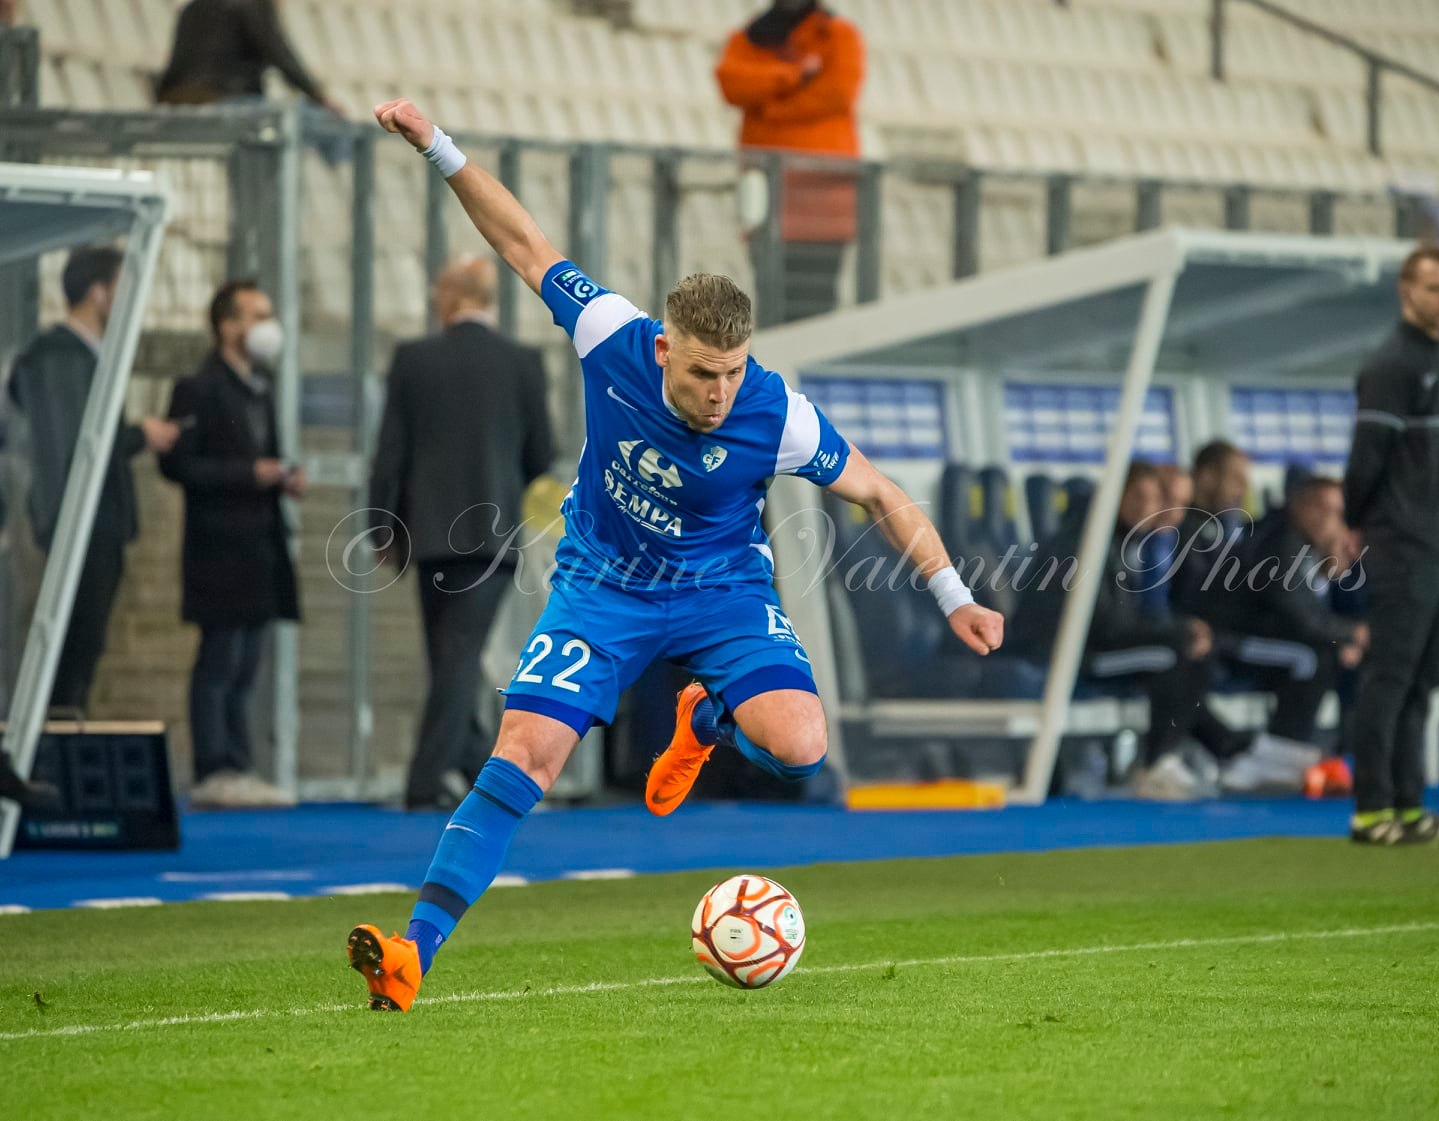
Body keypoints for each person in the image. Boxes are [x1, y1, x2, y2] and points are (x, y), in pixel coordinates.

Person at [345, 97, 1003, 1012]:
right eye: (702, 373)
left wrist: (954, 595)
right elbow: (524, 244)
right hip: (601, 586)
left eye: (733, 371)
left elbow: (882, 492)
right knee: (526, 754)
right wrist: (438, 147)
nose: (721, 392)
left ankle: (703, 721)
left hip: (722, 593)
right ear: (663, 349)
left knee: (803, 749)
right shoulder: (610, 335)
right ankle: (411, 954)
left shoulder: (776, 413)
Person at [368, 258, 556, 811]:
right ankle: (482, 769)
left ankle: (426, 782)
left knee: (450, 656)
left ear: (446, 299)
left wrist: (380, 527)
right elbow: (542, 453)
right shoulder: (522, 362)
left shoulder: (413, 360)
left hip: (428, 537)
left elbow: (390, 453)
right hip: (492, 538)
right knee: (458, 657)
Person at [1008, 461, 1251, 801]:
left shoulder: (1128, 540)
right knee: (1174, 655)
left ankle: (1199, 752)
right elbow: (1106, 622)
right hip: (1067, 654)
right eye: (1137, 496)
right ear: (1116, 496)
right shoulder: (1086, 538)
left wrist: (1179, 628)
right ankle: (1161, 762)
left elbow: (1123, 619)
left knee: (1190, 647)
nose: (1145, 507)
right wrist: (1175, 630)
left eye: (1153, 500)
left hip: (1096, 644)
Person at [1341, 244, 1439, 845]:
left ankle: (1410, 806)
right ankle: (1371, 811)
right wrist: (1354, 523)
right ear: (1406, 292)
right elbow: (1365, 460)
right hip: (1403, 546)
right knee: (1388, 680)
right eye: (1434, 288)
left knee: (1421, 683)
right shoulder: (1391, 365)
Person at [5, 247, 178, 713]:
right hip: (74, 528)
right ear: (98, 293)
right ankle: (51, 742)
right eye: (122, 287)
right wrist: (138, 435)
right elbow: (72, 443)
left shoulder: (87, 356)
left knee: (85, 648)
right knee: (67, 652)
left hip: (96, 526)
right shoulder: (56, 357)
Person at [159, 280, 303, 809]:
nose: (267, 325)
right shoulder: (197, 387)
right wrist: (249, 473)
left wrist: (283, 477)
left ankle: (240, 765)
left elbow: (265, 455)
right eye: (255, 315)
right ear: (227, 326)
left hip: (259, 548)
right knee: (218, 661)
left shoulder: (260, 386)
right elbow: (178, 464)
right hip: (218, 549)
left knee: (247, 665)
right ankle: (212, 767)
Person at [1208, 478, 1365, 792]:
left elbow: (1309, 614)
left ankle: (1338, 755)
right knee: (1312, 658)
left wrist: (1330, 573)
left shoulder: (1307, 544)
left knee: (1329, 654)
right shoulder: (1279, 542)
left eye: (1337, 513)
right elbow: (1300, 617)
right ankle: (1273, 756)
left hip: (1268, 638)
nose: (1330, 521)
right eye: (1324, 510)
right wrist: (1351, 634)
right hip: (1231, 639)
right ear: (1299, 507)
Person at [716, 0, 864, 322]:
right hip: (770, 195)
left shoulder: (837, 35)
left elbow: (836, 93)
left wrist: (770, 109)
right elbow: (732, 82)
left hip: (824, 198)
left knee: (818, 300)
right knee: (771, 296)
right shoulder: (751, 37)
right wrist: (794, 75)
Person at [154, 0, 343, 113]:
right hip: (226, 97)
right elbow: (279, 54)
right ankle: (345, 166)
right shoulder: (253, 4)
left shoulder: (192, 7)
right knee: (319, 120)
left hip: (175, 97)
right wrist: (319, 98)